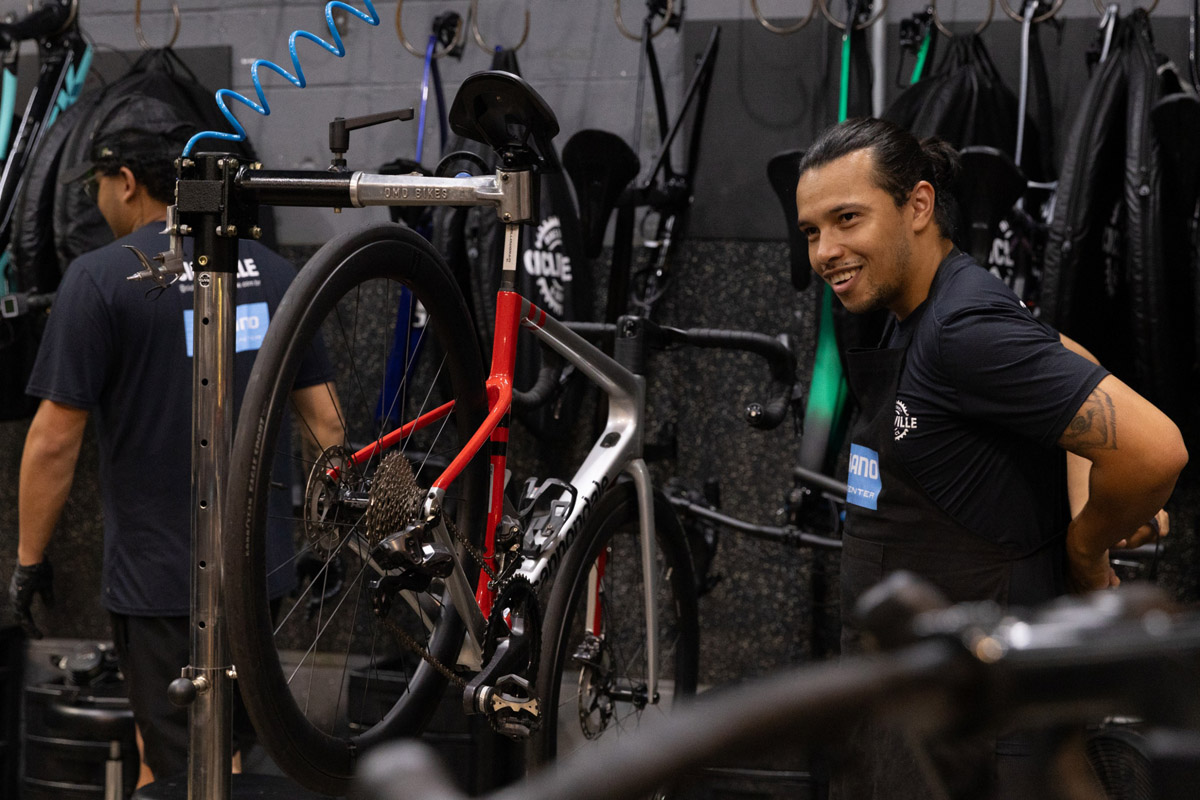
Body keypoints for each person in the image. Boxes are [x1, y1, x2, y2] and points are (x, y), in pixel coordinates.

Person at [792, 117, 1187, 798]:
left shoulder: (961, 329)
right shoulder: (913, 301)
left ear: (917, 206)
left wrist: (1084, 548)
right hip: (913, 703)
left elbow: (1155, 448)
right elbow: (1075, 361)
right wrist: (1074, 501)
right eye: (811, 231)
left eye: (846, 219)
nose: (825, 250)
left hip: (975, 738)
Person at [7, 97, 343, 786]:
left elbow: (52, 442)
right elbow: (329, 426)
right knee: (217, 747)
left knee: (188, 768)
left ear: (126, 181)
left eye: (99, 185)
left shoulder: (100, 281)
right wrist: (329, 530)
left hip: (161, 584)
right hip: (260, 574)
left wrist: (28, 564)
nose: (98, 199)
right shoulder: (274, 273)